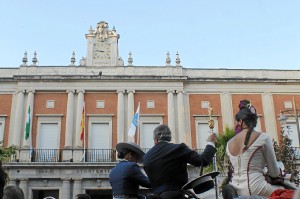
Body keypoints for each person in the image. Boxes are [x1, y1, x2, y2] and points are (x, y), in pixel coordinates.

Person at [225, 99, 285, 197]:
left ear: (240, 121)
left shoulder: (228, 143)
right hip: (257, 188)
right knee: (287, 192)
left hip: (234, 188)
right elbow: (274, 173)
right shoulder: (264, 137)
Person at [143, 124, 217, 199]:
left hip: (156, 195)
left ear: (155, 139)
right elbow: (203, 161)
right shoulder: (178, 148)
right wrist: (211, 143)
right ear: (169, 138)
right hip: (176, 195)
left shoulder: (146, 157)